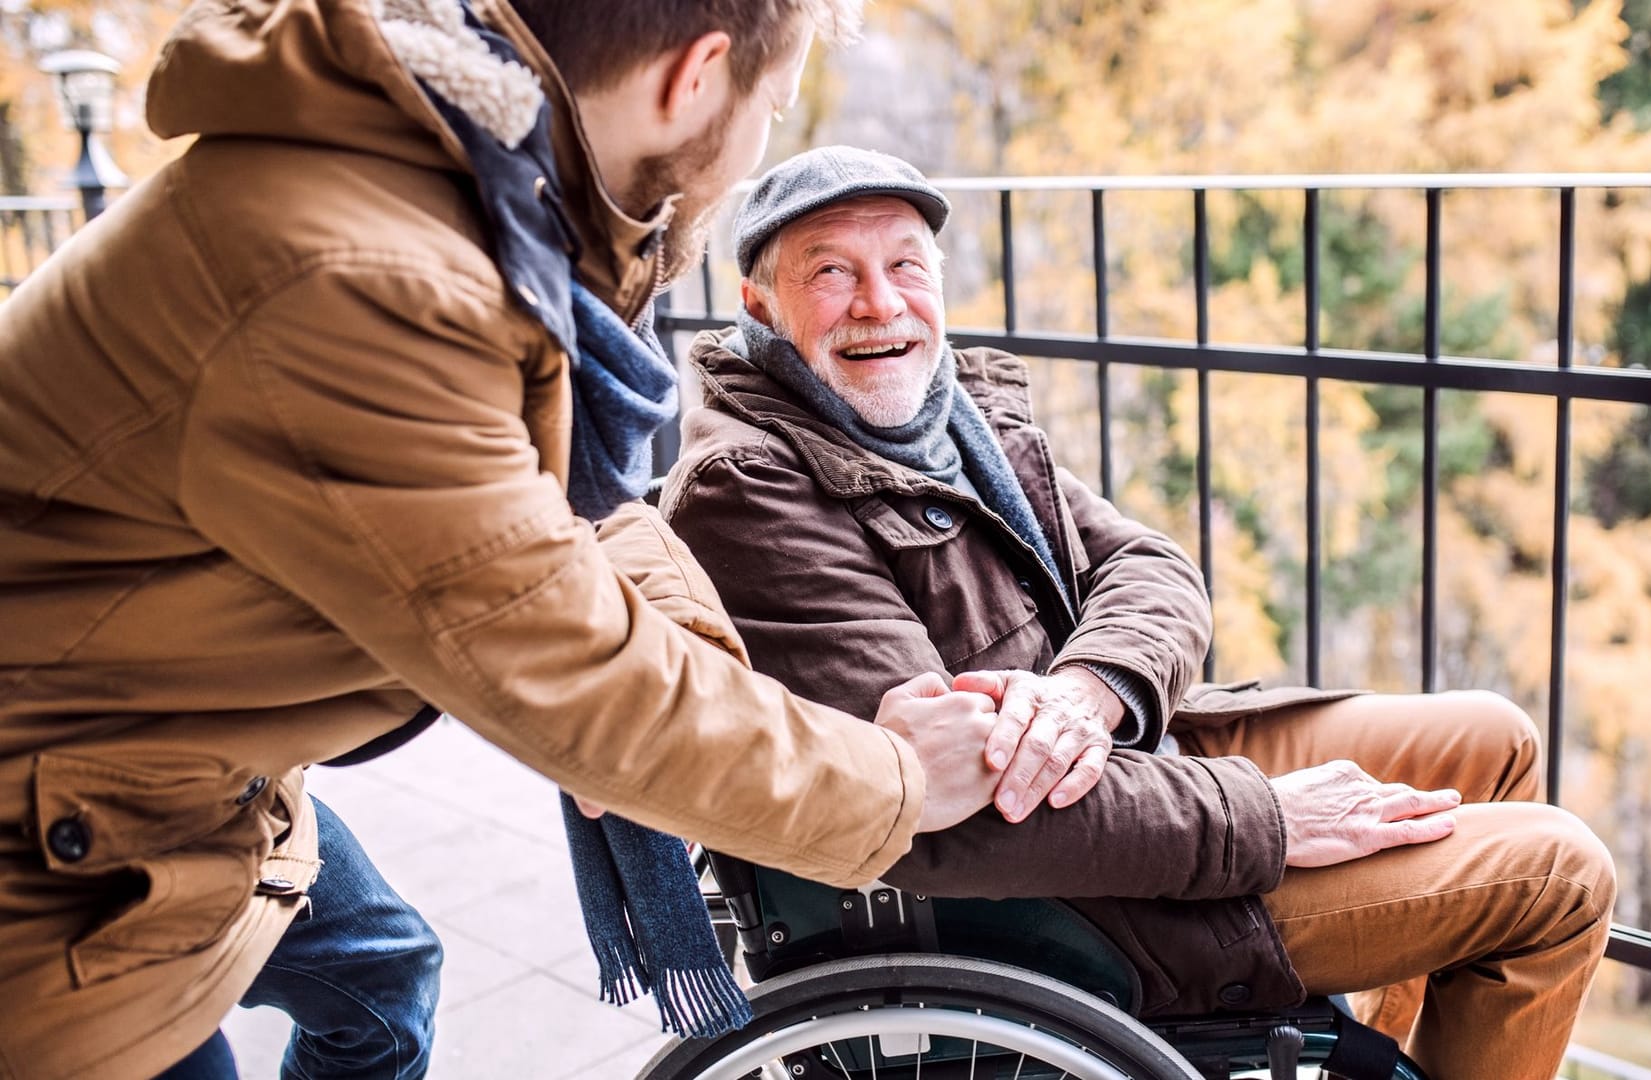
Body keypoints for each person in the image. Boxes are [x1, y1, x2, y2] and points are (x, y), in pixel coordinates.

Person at [0, 4, 1011, 1077]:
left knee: (385, 981)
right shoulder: (364, 283)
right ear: (697, 79)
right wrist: (896, 783)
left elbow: (571, 507)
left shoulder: (472, 194)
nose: (767, 137)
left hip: (174, 752)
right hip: (58, 848)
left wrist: (669, 676)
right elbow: (582, 688)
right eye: (775, 103)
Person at [660, 145, 1620, 1080]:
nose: (882, 302)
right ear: (761, 304)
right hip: (1074, 898)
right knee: (1561, 879)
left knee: (1493, 740)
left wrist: (1087, 693)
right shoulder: (750, 487)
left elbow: (1149, 566)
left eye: (905, 265)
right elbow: (933, 819)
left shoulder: (947, 416)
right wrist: (1265, 817)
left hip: (1126, 768)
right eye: (833, 272)